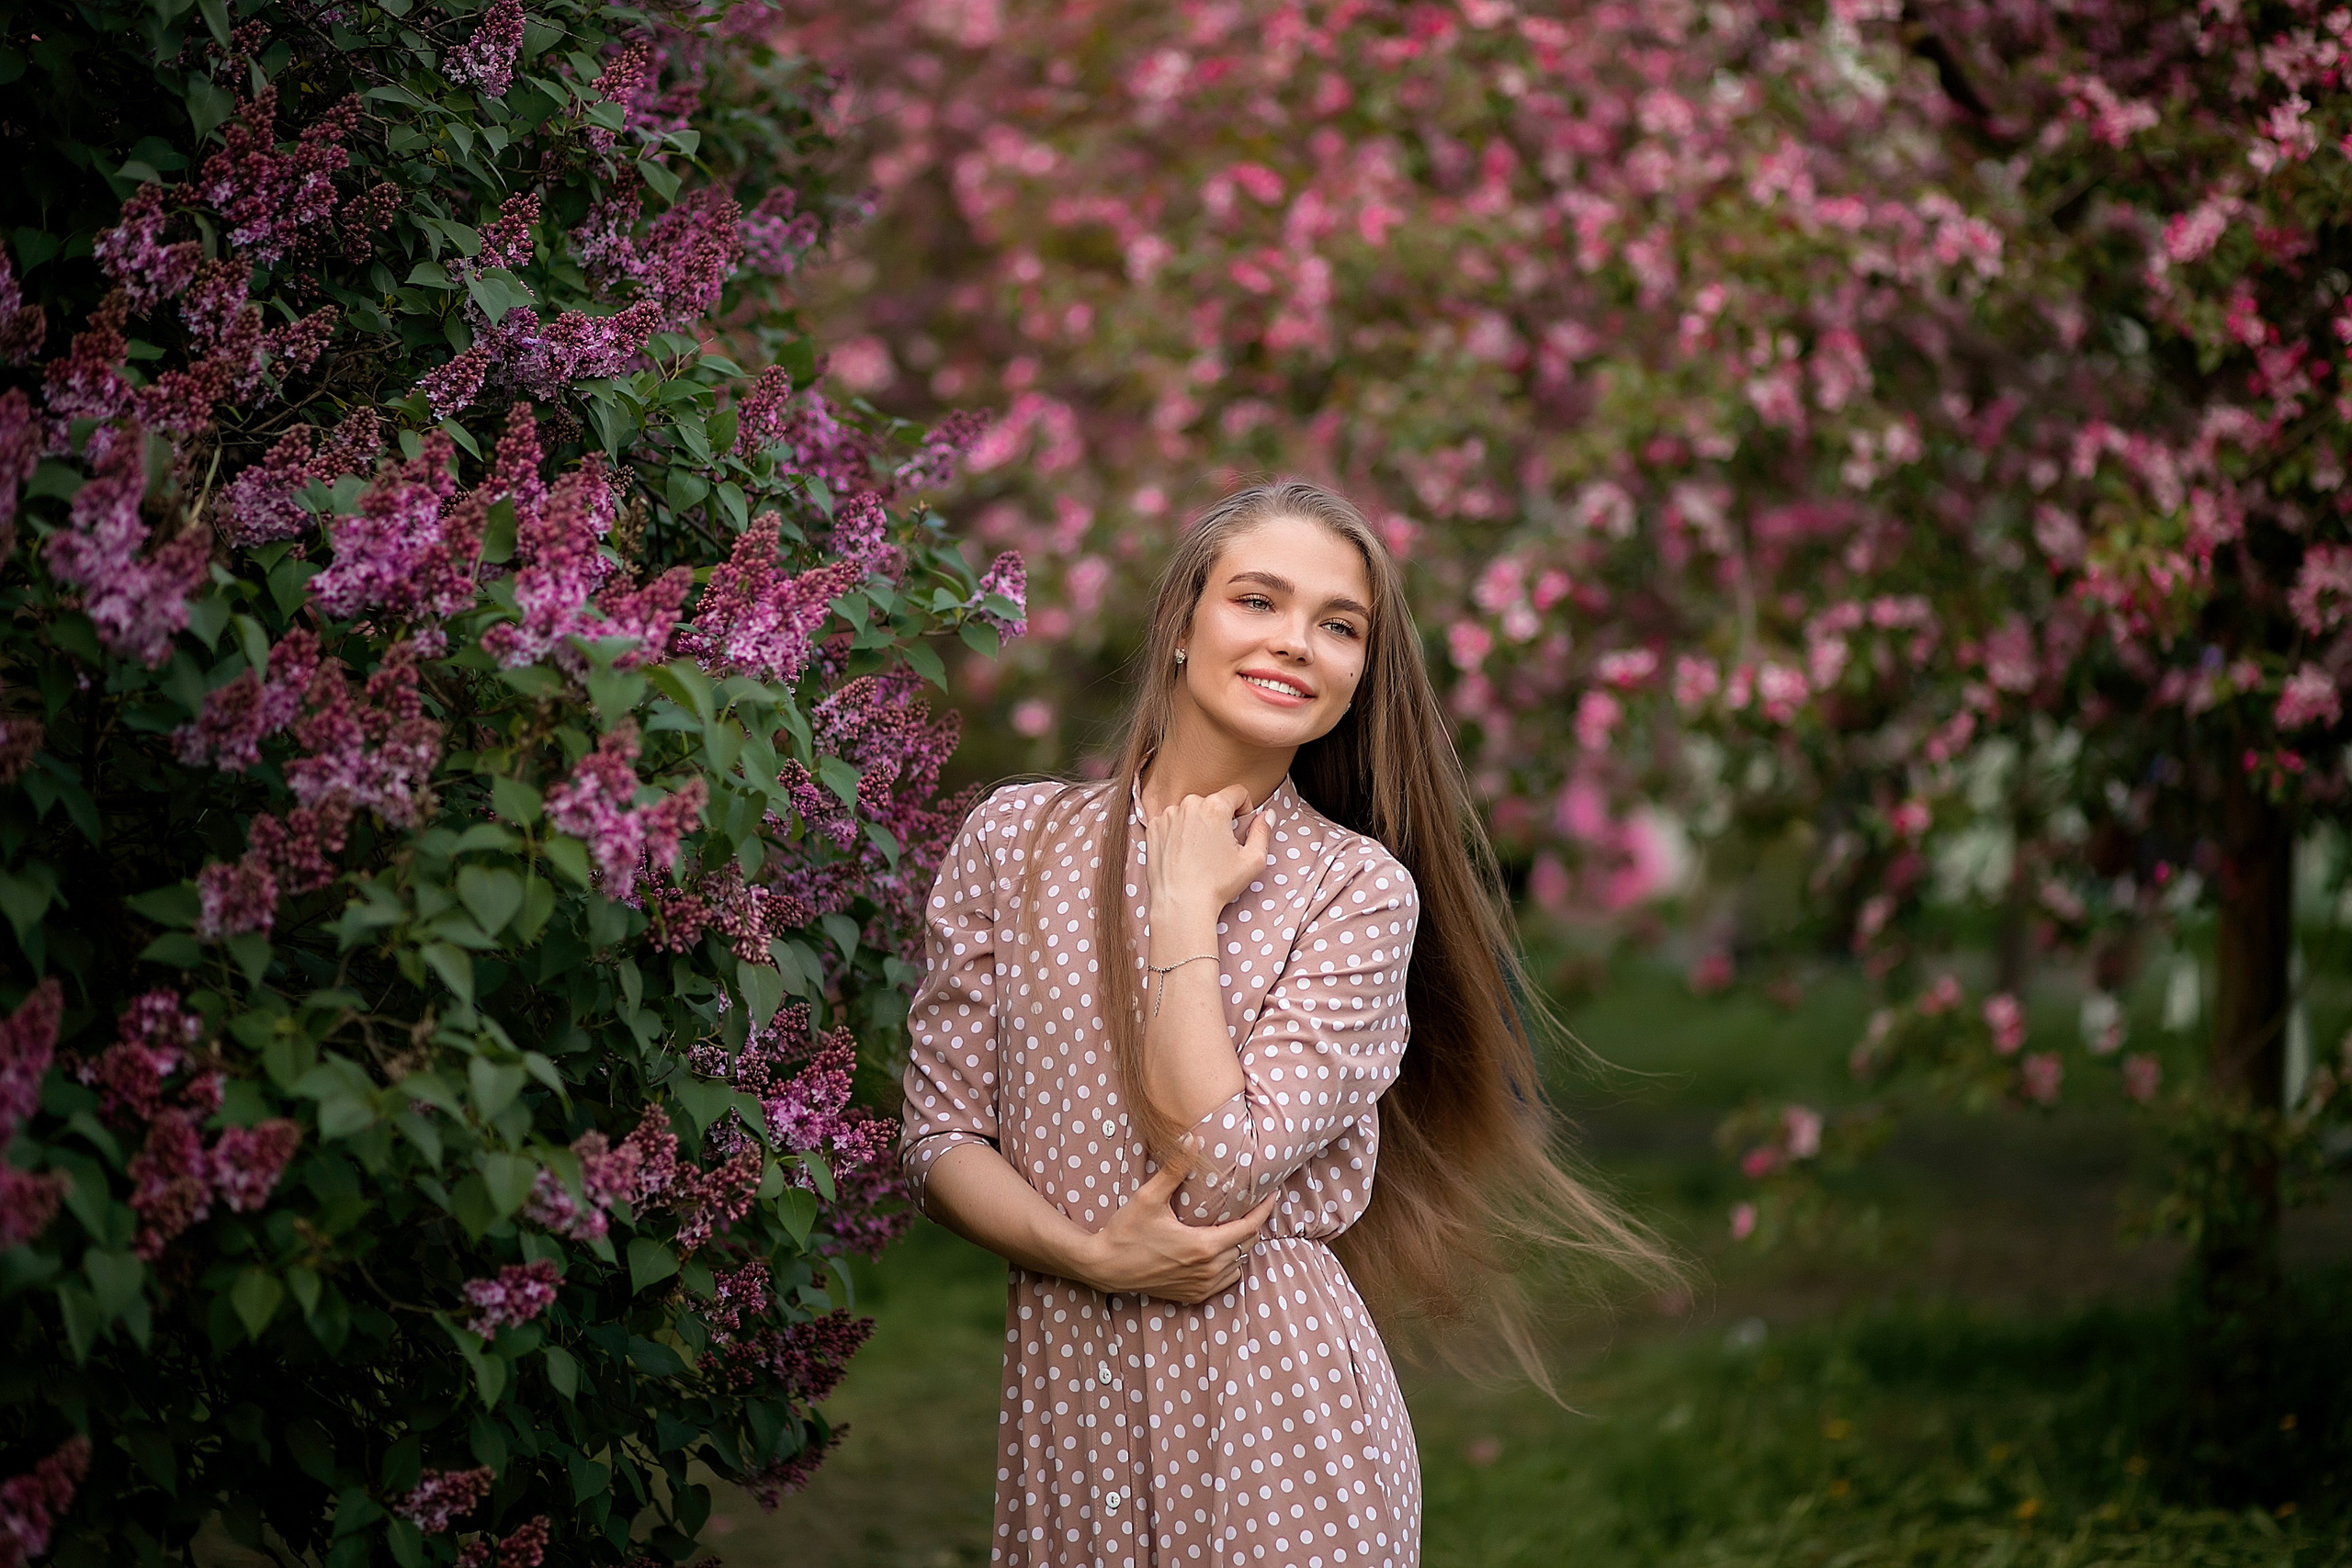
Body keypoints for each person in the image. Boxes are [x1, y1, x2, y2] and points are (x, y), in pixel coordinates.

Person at [899, 480, 1673, 1567]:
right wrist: (1091, 1256)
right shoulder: (1012, 842)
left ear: (1359, 675)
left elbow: (1217, 1163)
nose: (1297, 643)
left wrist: (1183, 906)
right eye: (1257, 600)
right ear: (1180, 624)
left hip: (1272, 1422)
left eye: (1338, 625)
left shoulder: (1356, 892)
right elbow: (938, 1139)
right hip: (1069, 1406)